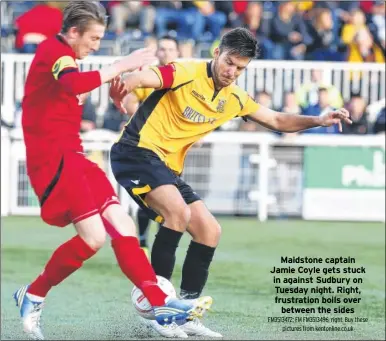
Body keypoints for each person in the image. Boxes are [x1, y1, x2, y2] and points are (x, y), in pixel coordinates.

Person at [110, 27, 351, 337]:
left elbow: (277, 121)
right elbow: (147, 78)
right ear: (216, 54)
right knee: (178, 214)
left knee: (209, 231)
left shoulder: (234, 98)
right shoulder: (187, 71)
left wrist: (318, 120)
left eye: (240, 68)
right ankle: (159, 309)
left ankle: (185, 312)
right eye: (229, 63)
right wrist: (125, 83)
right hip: (135, 151)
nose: (232, 72)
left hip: (166, 167)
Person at [13, 1, 211, 340]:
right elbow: (72, 85)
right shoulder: (54, 50)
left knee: (123, 227)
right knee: (94, 239)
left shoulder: (69, 59)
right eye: (93, 38)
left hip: (74, 156)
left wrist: (121, 99)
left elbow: (74, 88)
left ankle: (160, 302)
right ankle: (33, 294)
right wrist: (123, 64)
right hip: (54, 161)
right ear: (73, 32)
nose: (95, 45)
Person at [124, 35, 179, 258]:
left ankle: (154, 242)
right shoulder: (151, 76)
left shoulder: (185, 78)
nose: (165, 53)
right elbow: (129, 102)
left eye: (170, 49)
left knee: (170, 200)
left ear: (177, 52)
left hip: (173, 150)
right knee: (150, 196)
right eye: (162, 49)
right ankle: (145, 240)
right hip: (148, 148)